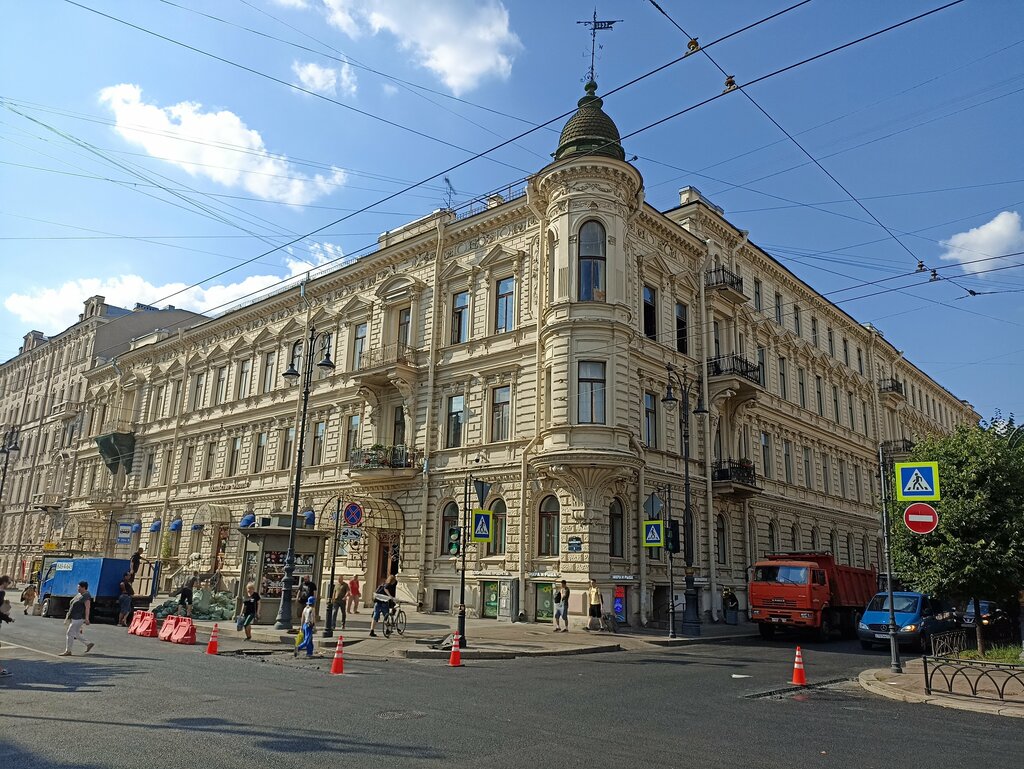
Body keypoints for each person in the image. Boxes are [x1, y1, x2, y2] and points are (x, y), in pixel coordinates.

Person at [60, 580, 94, 656]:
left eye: (79, 588)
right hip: (74, 616)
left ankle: (68, 651)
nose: (78, 589)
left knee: (69, 633)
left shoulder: (86, 596)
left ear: (84, 588)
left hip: (79, 618)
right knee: (76, 633)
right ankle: (88, 643)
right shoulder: (79, 594)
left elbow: (87, 608)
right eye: (78, 587)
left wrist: (87, 618)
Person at [0, 575, 13, 677]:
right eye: (8, 583)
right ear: (4, 582)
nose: (9, 585)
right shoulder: (1, 592)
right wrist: (7, 618)